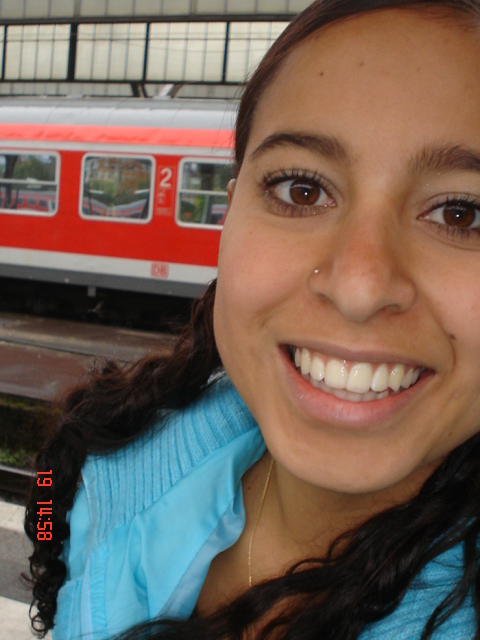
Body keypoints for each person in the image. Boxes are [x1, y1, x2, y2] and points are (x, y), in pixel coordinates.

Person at [25, 0, 480, 638]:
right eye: (302, 190)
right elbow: (49, 511)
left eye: (462, 214)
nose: (359, 287)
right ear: (230, 213)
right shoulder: (108, 451)